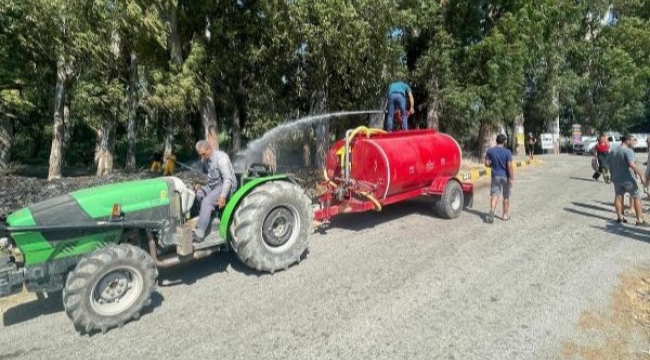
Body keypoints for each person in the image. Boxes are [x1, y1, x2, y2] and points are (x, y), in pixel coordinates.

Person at [193, 140, 238, 242]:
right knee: (198, 195)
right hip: (213, 185)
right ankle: (206, 219)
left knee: (207, 201)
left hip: (225, 186)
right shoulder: (205, 159)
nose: (202, 157)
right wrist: (199, 184)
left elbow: (228, 179)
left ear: (209, 149)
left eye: (203, 154)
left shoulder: (222, 158)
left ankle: (200, 233)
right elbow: (206, 175)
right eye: (200, 155)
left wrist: (223, 196)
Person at [607, 134, 648, 226]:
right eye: (633, 140)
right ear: (627, 141)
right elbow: (632, 164)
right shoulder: (628, 150)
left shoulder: (613, 150)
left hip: (616, 178)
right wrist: (641, 175)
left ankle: (620, 218)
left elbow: (609, 165)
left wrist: (612, 175)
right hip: (628, 179)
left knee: (618, 196)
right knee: (637, 196)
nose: (634, 142)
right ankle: (640, 220)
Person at [484, 134, 515, 223]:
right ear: (504, 142)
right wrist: (512, 178)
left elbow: (486, 163)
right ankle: (505, 215)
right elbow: (509, 166)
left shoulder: (490, 151)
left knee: (495, 194)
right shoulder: (507, 152)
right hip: (505, 176)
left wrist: (493, 165)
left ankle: (492, 211)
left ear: (496, 141)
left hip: (495, 176)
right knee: (506, 196)